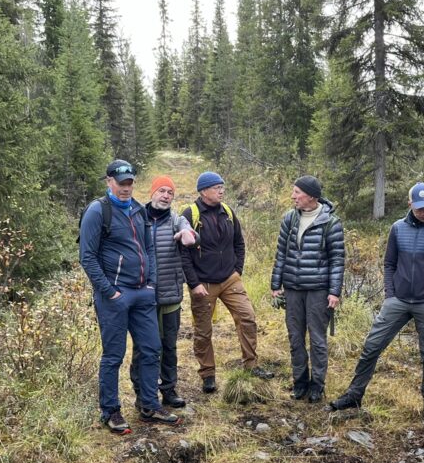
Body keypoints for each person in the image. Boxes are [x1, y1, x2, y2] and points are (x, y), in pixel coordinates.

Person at [328, 182, 424, 421]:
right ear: (410, 205)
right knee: (372, 346)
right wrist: (390, 294)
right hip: (397, 302)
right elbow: (389, 263)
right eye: (420, 208)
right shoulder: (398, 229)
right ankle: (354, 395)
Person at [78, 159, 183, 434]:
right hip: (114, 296)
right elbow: (87, 257)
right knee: (114, 355)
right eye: (121, 183)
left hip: (142, 295)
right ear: (109, 182)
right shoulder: (97, 211)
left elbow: (148, 249)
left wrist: (151, 283)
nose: (126, 188)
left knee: (151, 349)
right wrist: (110, 292)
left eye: (130, 183)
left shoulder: (138, 210)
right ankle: (110, 411)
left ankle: (149, 405)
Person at [180, 171, 274, 393]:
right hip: (203, 284)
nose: (221, 190)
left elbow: (239, 242)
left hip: (230, 280)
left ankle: (251, 365)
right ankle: (208, 375)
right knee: (203, 331)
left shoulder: (228, 212)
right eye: (216, 187)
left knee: (247, 317)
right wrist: (194, 284)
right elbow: (183, 255)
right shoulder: (190, 214)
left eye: (222, 187)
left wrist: (237, 271)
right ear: (204, 191)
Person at [270, 175, 345, 403]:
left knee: (317, 340)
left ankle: (317, 385)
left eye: (297, 192)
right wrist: (276, 284)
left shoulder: (331, 223)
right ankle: (300, 382)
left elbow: (337, 260)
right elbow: (281, 253)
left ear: (311, 196)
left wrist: (334, 292)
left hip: (318, 291)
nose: (293, 196)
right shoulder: (289, 219)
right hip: (292, 288)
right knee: (295, 338)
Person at [129, 175, 195, 410]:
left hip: (169, 295)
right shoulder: (137, 218)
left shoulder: (176, 220)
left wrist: (188, 235)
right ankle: (141, 394)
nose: (166, 196)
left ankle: (168, 390)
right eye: (162, 191)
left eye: (170, 193)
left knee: (169, 345)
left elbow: (187, 231)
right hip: (142, 296)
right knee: (143, 347)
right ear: (152, 193)